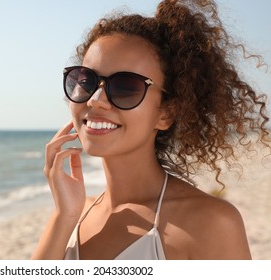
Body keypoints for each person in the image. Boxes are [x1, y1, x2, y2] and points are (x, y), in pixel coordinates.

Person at [31, 0, 270, 260]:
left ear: (165, 114)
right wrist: (63, 216)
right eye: (86, 81)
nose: (95, 99)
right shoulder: (74, 213)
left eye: (125, 87)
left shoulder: (209, 223)